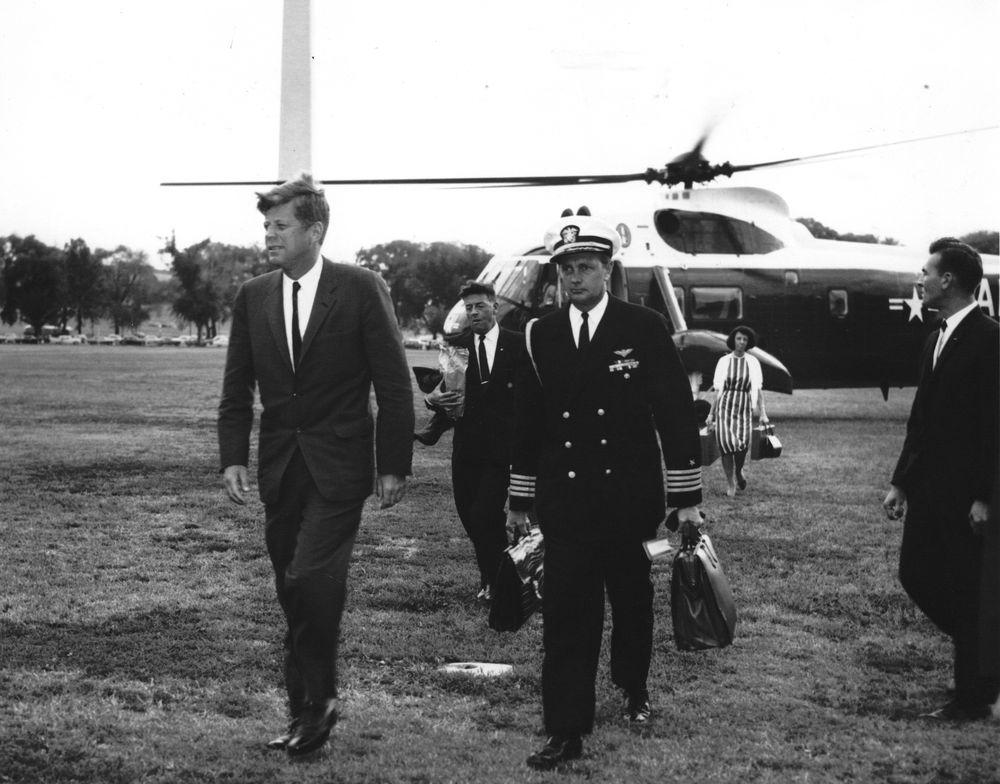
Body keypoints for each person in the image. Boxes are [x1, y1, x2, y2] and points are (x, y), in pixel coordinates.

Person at [217, 173, 414, 756]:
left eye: (281, 227)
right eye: (266, 227)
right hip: (280, 468)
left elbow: (394, 384)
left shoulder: (360, 287)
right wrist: (233, 457)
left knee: (309, 578)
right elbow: (236, 387)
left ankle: (320, 699)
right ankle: (303, 711)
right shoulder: (253, 295)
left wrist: (393, 464)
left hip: (340, 466)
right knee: (290, 589)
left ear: (315, 230)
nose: (269, 237)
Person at [506, 211, 704, 770]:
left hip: (628, 500)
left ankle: (633, 688)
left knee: (631, 600)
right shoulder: (538, 332)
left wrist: (685, 497)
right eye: (566, 268)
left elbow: (673, 413)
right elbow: (528, 421)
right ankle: (565, 729)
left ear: (607, 269)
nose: (574, 278)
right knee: (568, 616)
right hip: (566, 504)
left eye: (586, 267)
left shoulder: (641, 327)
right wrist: (520, 500)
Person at [883, 237, 999, 721]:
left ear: (948, 279)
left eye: (926, 272)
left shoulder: (991, 338)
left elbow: (996, 425)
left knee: (965, 587)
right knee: (917, 574)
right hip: (929, 490)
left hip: (966, 498)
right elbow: (922, 419)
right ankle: (983, 661)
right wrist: (900, 483)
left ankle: (972, 696)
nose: (920, 280)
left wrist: (986, 497)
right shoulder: (935, 336)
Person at [425, 281, 525, 600]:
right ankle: (492, 578)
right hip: (466, 448)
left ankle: (499, 582)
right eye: (468, 307)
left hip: (502, 449)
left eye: (479, 305)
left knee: (485, 514)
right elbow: (442, 390)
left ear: (494, 306)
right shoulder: (457, 345)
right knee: (471, 516)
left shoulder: (519, 344)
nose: (473, 312)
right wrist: (432, 400)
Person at [707, 326, 769, 496]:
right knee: (726, 446)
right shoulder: (724, 361)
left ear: (748, 343)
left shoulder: (753, 362)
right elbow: (718, 390)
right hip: (725, 408)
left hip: (744, 409)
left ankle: (739, 470)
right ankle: (730, 483)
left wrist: (763, 412)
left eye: (745, 339)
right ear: (733, 340)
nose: (741, 342)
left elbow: (758, 389)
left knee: (742, 446)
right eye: (739, 338)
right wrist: (711, 413)